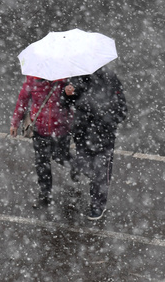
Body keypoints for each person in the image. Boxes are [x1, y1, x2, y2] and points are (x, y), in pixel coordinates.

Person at [63, 66, 127, 220]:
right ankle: (92, 190)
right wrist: (66, 94)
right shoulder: (76, 78)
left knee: (101, 170)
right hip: (82, 133)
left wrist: (109, 120)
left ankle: (98, 204)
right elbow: (66, 103)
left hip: (103, 135)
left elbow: (122, 107)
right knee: (86, 164)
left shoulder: (110, 78)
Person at [10, 76, 76, 208]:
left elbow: (74, 101)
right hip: (40, 129)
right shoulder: (32, 79)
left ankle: (75, 166)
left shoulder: (65, 78)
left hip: (62, 128)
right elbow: (22, 100)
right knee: (41, 161)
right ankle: (45, 194)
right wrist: (15, 123)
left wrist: (71, 94)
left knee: (60, 156)